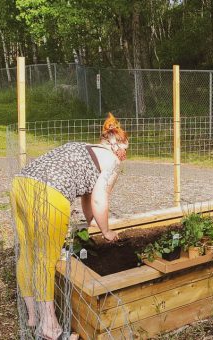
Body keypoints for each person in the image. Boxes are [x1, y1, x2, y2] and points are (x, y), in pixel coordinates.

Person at [10, 113, 128, 340]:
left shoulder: (84, 148)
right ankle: (50, 327)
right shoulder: (112, 161)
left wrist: (89, 223)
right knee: (46, 258)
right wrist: (106, 231)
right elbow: (99, 198)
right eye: (125, 149)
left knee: (27, 252)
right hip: (50, 192)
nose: (124, 156)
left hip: (21, 184)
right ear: (116, 144)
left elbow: (87, 198)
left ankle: (32, 316)